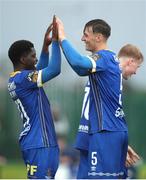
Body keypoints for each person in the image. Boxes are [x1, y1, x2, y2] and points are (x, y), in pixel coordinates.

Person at [55, 17, 143, 179]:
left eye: (86, 34)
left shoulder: (104, 59)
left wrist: (62, 37)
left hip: (106, 132)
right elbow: (80, 68)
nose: (82, 38)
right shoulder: (107, 64)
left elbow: (78, 62)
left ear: (98, 37)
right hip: (103, 132)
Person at [7, 18, 61, 179]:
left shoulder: (18, 78)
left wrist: (46, 47)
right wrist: (57, 42)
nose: (36, 59)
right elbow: (54, 70)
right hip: (39, 143)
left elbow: (41, 68)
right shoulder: (23, 79)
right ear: (23, 60)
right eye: (33, 56)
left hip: (40, 142)